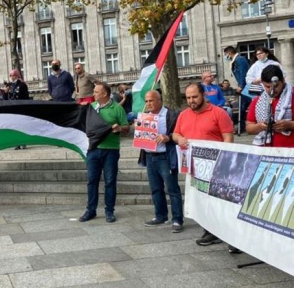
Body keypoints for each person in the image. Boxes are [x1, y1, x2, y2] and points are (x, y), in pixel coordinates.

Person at [172, 83, 234, 248]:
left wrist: (224, 161)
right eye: (188, 98)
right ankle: (210, 231)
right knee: (202, 201)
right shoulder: (183, 115)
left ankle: (229, 236)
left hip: (215, 166)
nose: (191, 100)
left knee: (220, 202)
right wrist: (179, 139)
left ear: (204, 95)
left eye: (194, 97)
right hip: (194, 168)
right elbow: (175, 133)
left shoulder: (219, 113)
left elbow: (228, 137)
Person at [79, 83, 129, 223]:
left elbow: (127, 128)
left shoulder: (117, 108)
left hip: (111, 150)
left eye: (96, 92)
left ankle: (109, 211)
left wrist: (119, 128)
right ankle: (91, 210)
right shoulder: (91, 107)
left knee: (110, 181)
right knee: (91, 181)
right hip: (93, 149)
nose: (93, 94)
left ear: (104, 94)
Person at [138, 90, 184, 233]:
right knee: (156, 189)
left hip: (165, 157)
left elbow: (180, 132)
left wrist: (168, 137)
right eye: (146, 101)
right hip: (150, 156)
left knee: (172, 189)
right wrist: (138, 131)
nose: (148, 104)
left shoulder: (171, 114)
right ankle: (160, 215)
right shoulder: (145, 116)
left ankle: (177, 219)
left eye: (151, 100)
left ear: (160, 100)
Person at [246, 65, 294, 147]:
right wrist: (260, 126)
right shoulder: (257, 101)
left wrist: (290, 125)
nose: (272, 90)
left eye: (276, 86)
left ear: (283, 80)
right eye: (267, 87)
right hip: (265, 152)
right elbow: (249, 128)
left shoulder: (291, 96)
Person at [224, 46, 250, 133]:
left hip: (245, 87)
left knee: (243, 107)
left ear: (229, 53)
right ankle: (242, 127)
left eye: (226, 54)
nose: (225, 56)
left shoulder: (239, 60)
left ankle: (242, 127)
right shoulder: (236, 61)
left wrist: (241, 86)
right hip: (244, 87)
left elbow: (243, 73)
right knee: (242, 108)